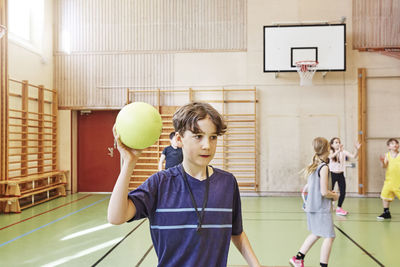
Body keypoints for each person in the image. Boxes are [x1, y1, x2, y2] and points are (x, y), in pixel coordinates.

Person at [108, 102, 260, 267]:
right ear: (179, 139)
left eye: (213, 137)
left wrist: (256, 265)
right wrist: (129, 162)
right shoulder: (160, 183)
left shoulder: (227, 183)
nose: (207, 145)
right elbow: (116, 217)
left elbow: (236, 232)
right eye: (198, 136)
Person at [290, 137, 339, 267]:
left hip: (311, 207)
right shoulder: (323, 167)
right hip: (320, 208)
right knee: (329, 237)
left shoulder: (313, 165)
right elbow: (324, 192)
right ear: (327, 149)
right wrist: (334, 196)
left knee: (316, 233)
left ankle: (298, 258)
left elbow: (312, 187)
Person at [328, 137, 361, 216]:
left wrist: (357, 149)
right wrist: (338, 151)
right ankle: (330, 205)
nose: (338, 143)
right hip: (332, 174)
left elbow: (354, 156)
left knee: (343, 192)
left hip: (341, 174)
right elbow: (331, 157)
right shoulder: (330, 151)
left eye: (339, 142)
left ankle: (339, 208)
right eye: (336, 142)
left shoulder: (343, 152)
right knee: (329, 191)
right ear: (332, 144)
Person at [377, 138, 400, 221]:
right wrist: (382, 161)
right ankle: (386, 213)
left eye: (397, 143)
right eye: (392, 143)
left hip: (398, 181)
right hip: (389, 181)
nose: (395, 145)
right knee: (385, 196)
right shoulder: (387, 155)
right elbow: (384, 166)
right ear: (388, 146)